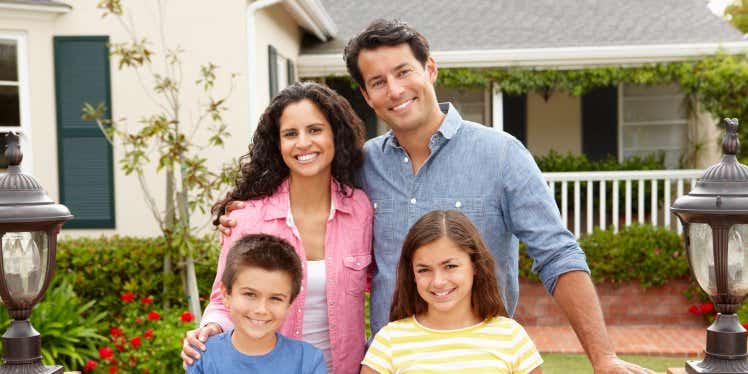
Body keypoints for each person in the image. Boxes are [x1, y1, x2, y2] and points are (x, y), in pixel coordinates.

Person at [220, 20, 651, 373]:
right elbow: (303, 179)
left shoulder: (501, 155)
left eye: (404, 71)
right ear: (367, 96)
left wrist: (603, 357)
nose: (395, 89)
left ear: (430, 69)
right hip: (393, 362)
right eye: (378, 81)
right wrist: (244, 213)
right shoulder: (361, 166)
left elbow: (558, 255)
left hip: (483, 361)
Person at [182, 82, 373, 374]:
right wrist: (209, 329)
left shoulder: (360, 209)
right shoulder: (247, 218)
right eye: (290, 134)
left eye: (315, 130)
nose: (303, 143)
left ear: (336, 135)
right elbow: (225, 298)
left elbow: (381, 282)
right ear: (278, 144)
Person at [361, 210, 543, 374]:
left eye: (450, 266)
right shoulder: (390, 341)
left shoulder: (511, 337)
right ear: (412, 274)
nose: (438, 281)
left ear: (475, 265)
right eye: (424, 270)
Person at [187, 234, 325, 374]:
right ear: (225, 294)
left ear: (289, 304)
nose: (261, 309)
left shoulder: (308, 360)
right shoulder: (203, 355)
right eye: (250, 294)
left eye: (275, 298)